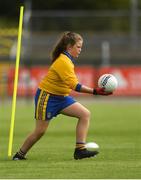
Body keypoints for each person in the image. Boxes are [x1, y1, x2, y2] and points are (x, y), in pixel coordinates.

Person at [13, 31, 112, 160]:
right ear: (69, 47)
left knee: (85, 114)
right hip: (47, 97)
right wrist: (95, 91)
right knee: (40, 131)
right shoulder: (63, 61)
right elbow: (74, 86)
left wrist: (95, 91)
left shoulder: (67, 60)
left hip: (61, 97)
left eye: (81, 47)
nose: (80, 50)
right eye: (78, 47)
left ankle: (80, 150)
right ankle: (19, 155)